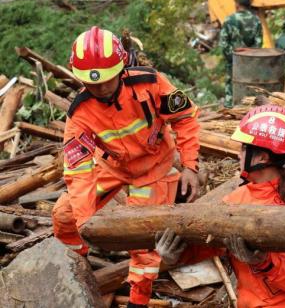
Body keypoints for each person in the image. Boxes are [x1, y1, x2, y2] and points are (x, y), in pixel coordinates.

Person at [52, 26, 201, 308]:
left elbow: (185, 118)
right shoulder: (80, 112)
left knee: (143, 243)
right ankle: (78, 267)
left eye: (106, 81)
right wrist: (86, 224)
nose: (101, 88)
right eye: (92, 84)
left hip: (154, 169)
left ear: (121, 68)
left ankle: (138, 301)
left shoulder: (150, 82)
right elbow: (78, 170)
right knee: (63, 215)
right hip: (112, 168)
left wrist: (191, 166)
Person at [155, 105, 285, 308]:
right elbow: (210, 242)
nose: (238, 155)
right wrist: (177, 255)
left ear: (262, 157)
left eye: (244, 149)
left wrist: (265, 262)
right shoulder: (235, 202)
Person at [219, 0, 263, 108]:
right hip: (250, 62)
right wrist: (250, 56)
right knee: (250, 86)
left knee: (231, 85)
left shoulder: (229, 19)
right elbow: (259, 43)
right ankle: (249, 109)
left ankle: (230, 109)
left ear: (237, 4)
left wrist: (232, 57)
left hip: (234, 61)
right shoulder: (256, 20)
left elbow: (224, 43)